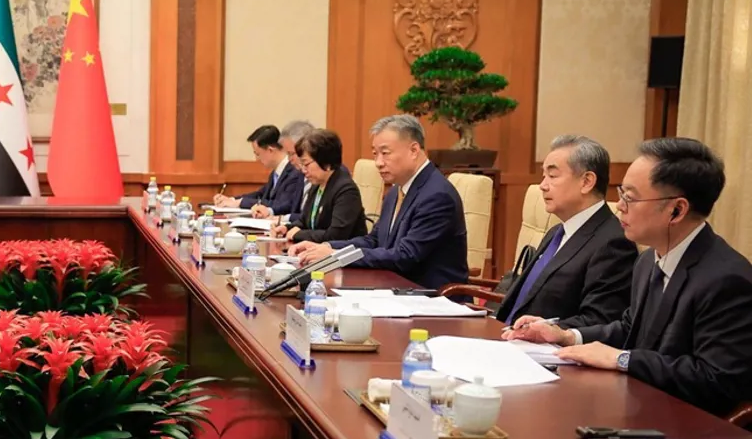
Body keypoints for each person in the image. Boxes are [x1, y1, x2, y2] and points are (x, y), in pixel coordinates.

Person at [505, 138, 752, 418]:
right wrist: (566, 335)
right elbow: (629, 327)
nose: (620, 206)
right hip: (639, 405)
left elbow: (716, 380)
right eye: (621, 193)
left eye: (630, 198)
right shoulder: (648, 261)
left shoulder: (726, 279)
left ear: (677, 210)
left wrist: (623, 359)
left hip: (689, 426)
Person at [291, 114, 467, 289]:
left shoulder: (436, 195)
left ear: (414, 150)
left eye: (385, 153)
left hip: (430, 296)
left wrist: (336, 255)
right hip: (392, 287)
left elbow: (405, 256)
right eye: (375, 154)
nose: (378, 162)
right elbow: (374, 240)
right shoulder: (396, 191)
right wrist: (326, 247)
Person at [494, 136, 636, 327]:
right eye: (544, 176)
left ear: (586, 182)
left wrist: (548, 330)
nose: (542, 185)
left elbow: (599, 322)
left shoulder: (613, 243)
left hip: (539, 343)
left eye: (552, 176)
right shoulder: (556, 232)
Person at [275, 129, 366, 244]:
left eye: (306, 164)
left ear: (326, 162)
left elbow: (336, 236)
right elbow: (304, 221)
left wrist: (298, 234)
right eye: (302, 164)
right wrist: (287, 228)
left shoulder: (346, 190)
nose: (303, 170)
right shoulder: (317, 185)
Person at [211, 121, 311, 220]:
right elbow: (260, 194)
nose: (256, 159)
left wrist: (240, 203)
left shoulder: (295, 171)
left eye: (258, 154)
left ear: (270, 150)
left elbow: (284, 204)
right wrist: (232, 200)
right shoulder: (276, 173)